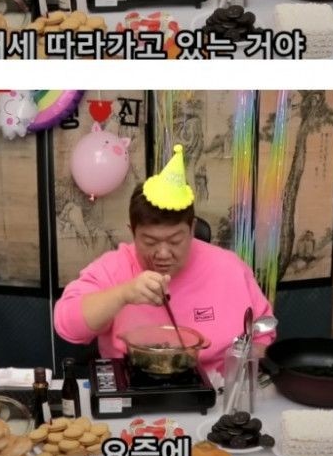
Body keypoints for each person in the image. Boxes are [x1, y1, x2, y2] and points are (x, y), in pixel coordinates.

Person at [55, 141, 275, 388]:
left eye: (175, 241)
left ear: (192, 229)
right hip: (134, 389)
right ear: (132, 232)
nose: (162, 253)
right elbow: (67, 326)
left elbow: (263, 332)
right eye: (149, 241)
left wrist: (243, 375)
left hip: (219, 391)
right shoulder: (113, 268)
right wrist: (123, 294)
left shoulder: (230, 268)